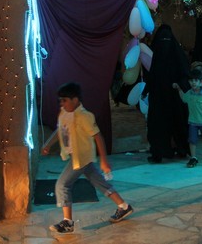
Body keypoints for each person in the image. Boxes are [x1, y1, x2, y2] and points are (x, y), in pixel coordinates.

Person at [41, 82, 133, 234]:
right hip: (77, 156)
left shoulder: (85, 116)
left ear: (75, 99)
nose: (62, 103)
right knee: (100, 183)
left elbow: (98, 137)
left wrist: (104, 161)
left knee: (62, 185)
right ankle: (124, 207)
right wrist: (48, 144)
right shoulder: (64, 113)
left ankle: (67, 222)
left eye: (65, 100)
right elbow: (60, 130)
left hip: (81, 158)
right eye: (60, 100)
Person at [141, 24, 190, 163]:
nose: (164, 44)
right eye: (162, 41)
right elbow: (153, 76)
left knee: (172, 123)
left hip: (171, 96)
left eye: (167, 40)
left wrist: (179, 85)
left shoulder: (161, 56)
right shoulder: (172, 55)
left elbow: (185, 75)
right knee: (160, 124)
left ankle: (178, 149)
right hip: (161, 97)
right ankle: (161, 151)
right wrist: (146, 90)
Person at [172, 68, 202, 168]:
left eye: (196, 80)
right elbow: (183, 98)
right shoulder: (189, 93)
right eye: (191, 81)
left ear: (200, 82)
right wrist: (179, 89)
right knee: (192, 139)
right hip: (193, 122)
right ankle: (193, 157)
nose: (193, 83)